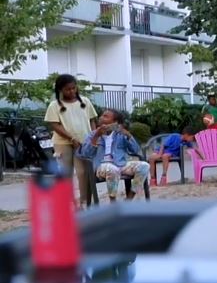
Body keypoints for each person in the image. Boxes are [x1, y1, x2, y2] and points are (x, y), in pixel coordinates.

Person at [44, 74, 98, 204]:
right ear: (60, 90)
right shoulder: (54, 105)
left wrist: (93, 137)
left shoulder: (85, 101)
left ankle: (83, 202)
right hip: (63, 143)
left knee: (83, 172)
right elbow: (55, 125)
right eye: (68, 89)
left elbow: (92, 121)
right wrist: (71, 138)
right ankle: (68, 202)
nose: (72, 91)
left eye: (74, 88)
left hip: (83, 143)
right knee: (66, 173)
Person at [78, 109, 149, 202]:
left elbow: (136, 150)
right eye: (102, 115)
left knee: (144, 166)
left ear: (115, 122)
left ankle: (129, 199)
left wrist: (128, 135)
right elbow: (85, 154)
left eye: (105, 116)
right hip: (101, 166)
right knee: (112, 169)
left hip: (121, 164)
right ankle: (113, 202)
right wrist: (96, 136)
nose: (101, 118)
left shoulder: (120, 135)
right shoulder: (92, 135)